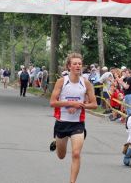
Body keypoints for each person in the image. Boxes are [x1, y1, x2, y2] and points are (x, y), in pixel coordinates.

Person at [50, 53, 97, 183]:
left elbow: (94, 104)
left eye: (80, 64)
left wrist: (80, 106)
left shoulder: (86, 83)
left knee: (76, 154)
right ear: (69, 66)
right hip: (62, 123)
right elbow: (53, 102)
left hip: (77, 124)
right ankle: (57, 140)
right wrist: (70, 103)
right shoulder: (62, 82)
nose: (78, 66)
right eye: (75, 63)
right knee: (61, 156)